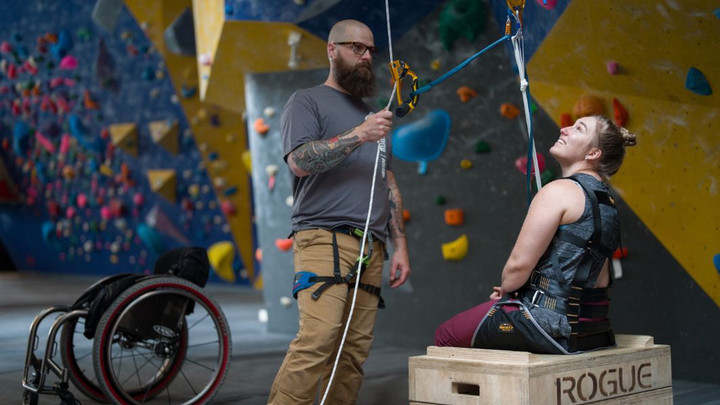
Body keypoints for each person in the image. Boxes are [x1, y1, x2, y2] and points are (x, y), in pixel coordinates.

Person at [268, 19, 411, 404]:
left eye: (370, 51)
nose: (366, 57)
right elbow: (299, 161)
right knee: (318, 339)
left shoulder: (373, 115)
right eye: (356, 48)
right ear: (332, 50)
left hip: (373, 247)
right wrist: (359, 134)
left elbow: (387, 179)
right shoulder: (307, 101)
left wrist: (400, 244)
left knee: (353, 355)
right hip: (322, 236)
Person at [435, 115, 637, 354]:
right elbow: (597, 278)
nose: (564, 129)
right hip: (593, 328)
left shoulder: (558, 191)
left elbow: (517, 267)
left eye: (578, 129)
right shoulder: (608, 203)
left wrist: (507, 288)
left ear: (593, 153)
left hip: (550, 325)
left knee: (446, 335)